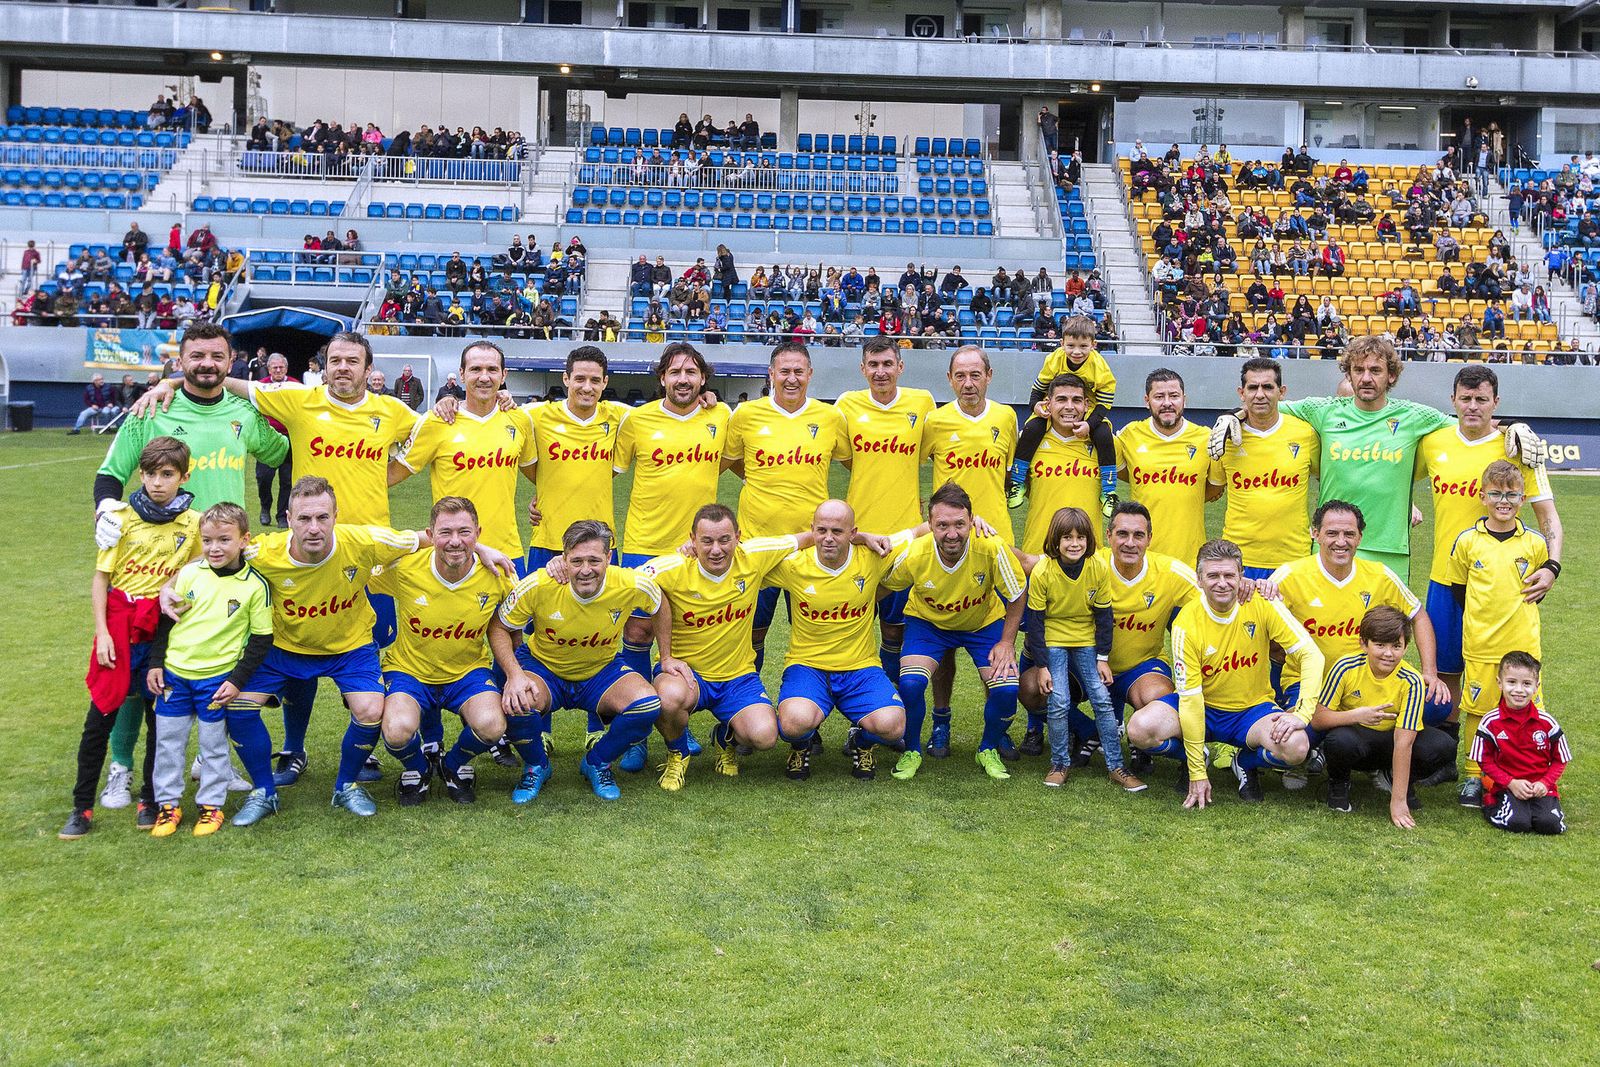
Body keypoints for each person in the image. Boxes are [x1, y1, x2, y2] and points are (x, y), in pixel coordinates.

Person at [130, 332, 423, 784]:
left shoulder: (394, 412)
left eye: (353, 361)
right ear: (325, 366)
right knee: (299, 650)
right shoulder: (297, 400)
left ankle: (365, 749)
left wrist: (387, 476)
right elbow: (225, 381)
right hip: (304, 550)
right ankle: (294, 748)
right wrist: (168, 382)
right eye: (336, 360)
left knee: (369, 651)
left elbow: (436, 434)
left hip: (371, 555)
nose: (344, 368)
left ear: (369, 369)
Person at [1211, 336, 1542, 581]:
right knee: (1326, 634)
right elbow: (1263, 404)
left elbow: (1471, 419)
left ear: (1391, 376)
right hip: (1329, 542)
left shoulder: (1415, 416)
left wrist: (1514, 425)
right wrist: (1230, 415)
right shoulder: (1323, 410)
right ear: (1349, 375)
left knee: (1385, 640)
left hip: (1389, 548)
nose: (1366, 377)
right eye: (1358, 370)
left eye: (1375, 370)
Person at [219, 476, 440, 818]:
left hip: (349, 646)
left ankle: (346, 786)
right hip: (285, 647)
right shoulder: (263, 553)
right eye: (304, 518)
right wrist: (171, 587)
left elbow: (430, 537)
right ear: (289, 518)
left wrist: (482, 548)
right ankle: (263, 792)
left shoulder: (366, 541)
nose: (314, 528)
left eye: (323, 517)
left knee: (369, 710)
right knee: (238, 708)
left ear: (337, 515)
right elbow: (212, 556)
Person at [60, 437, 201, 840]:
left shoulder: (193, 522)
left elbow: (197, 567)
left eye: (168, 475)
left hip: (163, 630)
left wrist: (170, 585)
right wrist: (102, 632)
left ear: (184, 476)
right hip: (119, 628)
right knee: (99, 718)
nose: (158, 483)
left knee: (161, 720)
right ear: (141, 475)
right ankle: (81, 807)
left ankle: (151, 799)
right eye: (151, 474)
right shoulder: (120, 517)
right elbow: (101, 579)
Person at [1128, 539, 1324, 806]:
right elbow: (1192, 699)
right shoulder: (1186, 623)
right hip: (1203, 708)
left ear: (1241, 576)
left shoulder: (1262, 602)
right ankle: (1194, 756)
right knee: (1140, 729)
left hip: (1251, 711)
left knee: (1298, 747)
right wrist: (1197, 771)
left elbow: (1311, 654)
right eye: (1213, 575)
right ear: (1198, 579)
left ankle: (1244, 761)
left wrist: (1302, 714)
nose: (1222, 583)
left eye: (1229, 575)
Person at [608, 344, 730, 768]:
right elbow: (600, 471)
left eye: (691, 372)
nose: (683, 378)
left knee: (687, 632)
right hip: (646, 543)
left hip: (699, 548)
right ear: (661, 378)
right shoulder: (637, 420)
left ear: (704, 379)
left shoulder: (721, 417)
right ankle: (638, 726)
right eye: (675, 371)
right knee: (638, 635)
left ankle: (680, 718)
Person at [1417, 367, 1560, 718]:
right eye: (1465, 399)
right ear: (1453, 400)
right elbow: (1394, 479)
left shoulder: (1518, 447)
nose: (1473, 406)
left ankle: (1507, 747)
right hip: (1446, 577)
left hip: (1503, 583)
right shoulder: (1434, 442)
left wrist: (1552, 566)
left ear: (1495, 402)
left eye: (1482, 399)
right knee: (1448, 668)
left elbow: (1548, 515)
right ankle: (1446, 752)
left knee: (1505, 669)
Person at [489, 520, 666, 803]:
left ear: (609, 558)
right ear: (563, 559)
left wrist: (667, 656)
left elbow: (659, 605)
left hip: (601, 672)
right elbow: (499, 627)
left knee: (647, 705)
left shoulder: (630, 583)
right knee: (518, 701)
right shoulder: (538, 584)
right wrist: (514, 675)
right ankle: (536, 766)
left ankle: (597, 762)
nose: (586, 570)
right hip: (544, 668)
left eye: (594, 560)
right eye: (577, 560)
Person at [143, 502, 275, 837]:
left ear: (244, 540)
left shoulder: (255, 586)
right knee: (168, 744)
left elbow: (262, 639)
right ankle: (168, 806)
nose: (214, 548)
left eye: (224, 540)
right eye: (207, 540)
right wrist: (157, 662)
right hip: (175, 676)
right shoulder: (190, 574)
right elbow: (167, 619)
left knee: (214, 746)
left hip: (216, 681)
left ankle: (211, 806)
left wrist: (236, 681)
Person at [372, 498, 514, 806]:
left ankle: (451, 766)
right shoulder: (405, 568)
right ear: (429, 534)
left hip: (467, 672)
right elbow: (360, 563)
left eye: (465, 532)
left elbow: (523, 611)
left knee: (492, 725)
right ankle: (419, 768)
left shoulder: (497, 575)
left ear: (479, 532)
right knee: (396, 731)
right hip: (409, 670)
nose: (455, 541)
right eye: (445, 532)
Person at [882, 482, 1027, 781]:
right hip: (929, 624)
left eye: (960, 524)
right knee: (909, 684)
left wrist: (1007, 642)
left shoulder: (990, 546)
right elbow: (883, 584)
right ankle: (912, 749)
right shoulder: (915, 553)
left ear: (972, 522)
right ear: (930, 525)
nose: (952, 533)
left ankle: (987, 748)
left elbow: (1016, 594)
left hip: (982, 624)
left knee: (1007, 689)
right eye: (943, 525)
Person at [919, 346, 1020, 757]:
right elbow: (913, 467)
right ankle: (940, 722)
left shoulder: (1006, 418)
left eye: (975, 374)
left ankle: (997, 728)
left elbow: (1008, 471)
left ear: (989, 376)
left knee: (994, 640)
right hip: (946, 540)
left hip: (996, 543)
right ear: (949, 380)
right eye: (960, 375)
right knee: (943, 641)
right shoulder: (936, 421)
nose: (968, 382)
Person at [725, 343, 849, 673]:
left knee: (813, 636)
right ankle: (746, 711)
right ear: (771, 374)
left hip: (812, 548)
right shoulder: (747, 415)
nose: (791, 379)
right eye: (784, 371)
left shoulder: (830, 417)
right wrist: (757, 478)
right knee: (750, 635)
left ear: (809, 375)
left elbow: (857, 465)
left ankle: (808, 718)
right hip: (756, 547)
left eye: (798, 372)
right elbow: (727, 462)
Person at [766, 500, 907, 782]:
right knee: (793, 723)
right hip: (807, 666)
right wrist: (691, 549)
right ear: (811, 531)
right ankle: (801, 745)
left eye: (837, 531)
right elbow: (740, 560)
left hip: (860, 667)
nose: (828, 538)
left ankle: (862, 743)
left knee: (893, 727)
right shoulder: (794, 565)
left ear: (852, 533)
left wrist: (975, 522)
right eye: (821, 530)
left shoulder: (873, 557)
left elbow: (923, 532)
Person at [1445, 460, 1555, 808]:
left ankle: (1531, 773)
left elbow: (1539, 589)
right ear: (1482, 496)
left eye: (1511, 494)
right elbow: (1459, 591)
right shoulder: (1467, 542)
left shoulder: (1536, 544)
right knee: (1478, 709)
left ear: (1523, 499)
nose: (1503, 501)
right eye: (1495, 493)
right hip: (1481, 645)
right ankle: (1474, 776)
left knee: (1528, 708)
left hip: (1522, 644)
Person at [834, 337, 936, 683]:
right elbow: (848, 459)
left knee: (895, 632)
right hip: (858, 538)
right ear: (863, 369)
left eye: (887, 364)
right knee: (852, 627)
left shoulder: (922, 403)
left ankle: (889, 699)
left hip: (906, 540)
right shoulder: (846, 404)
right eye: (873, 365)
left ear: (900, 367)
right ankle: (857, 706)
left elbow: (930, 452)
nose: (881, 372)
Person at [1028, 506, 1144, 792]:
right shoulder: (1043, 571)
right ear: (1055, 541)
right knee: (1059, 702)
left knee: (1101, 699)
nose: (1074, 543)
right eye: (1067, 537)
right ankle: (1059, 763)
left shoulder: (1097, 568)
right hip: (1053, 640)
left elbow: (1104, 618)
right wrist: (1042, 666)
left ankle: (1117, 766)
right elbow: (1036, 624)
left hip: (1086, 641)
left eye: (1081, 537)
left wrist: (1102, 658)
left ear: (1090, 540)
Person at [1314, 606, 1453, 826]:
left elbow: (1404, 741)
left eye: (1396, 646)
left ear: (1406, 647)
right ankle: (1339, 784)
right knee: (1339, 740)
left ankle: (1398, 782)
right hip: (1356, 738)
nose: (1388, 653)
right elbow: (1319, 719)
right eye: (1380, 645)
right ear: (1364, 644)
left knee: (1442, 746)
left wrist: (1397, 801)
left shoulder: (1411, 680)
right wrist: (1357, 715)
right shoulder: (1345, 667)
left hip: (1391, 741)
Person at [1207, 357, 1318, 579]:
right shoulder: (1224, 437)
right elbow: (1213, 490)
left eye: (1268, 387)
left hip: (1293, 557)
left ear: (1281, 391)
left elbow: (1331, 478)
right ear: (1241, 393)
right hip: (1239, 557)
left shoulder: (1305, 434)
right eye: (1253, 387)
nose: (1260, 394)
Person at [1006, 316, 1118, 514]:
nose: (1076, 351)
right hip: (1055, 406)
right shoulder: (1054, 359)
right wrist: (1036, 407)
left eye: (1083, 346)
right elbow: (1037, 389)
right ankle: (1018, 482)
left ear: (1093, 344)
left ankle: (1108, 492)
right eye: (1071, 345)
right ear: (1062, 343)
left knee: (1103, 435)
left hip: (1088, 409)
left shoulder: (1101, 368)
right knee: (1032, 429)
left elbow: (1104, 403)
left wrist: (1090, 425)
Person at [1116, 369, 1212, 565]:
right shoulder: (1129, 434)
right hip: (1141, 557)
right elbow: (1124, 474)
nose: (1167, 403)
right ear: (1147, 400)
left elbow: (1215, 487)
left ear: (1184, 399)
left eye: (1174, 396)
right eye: (1159, 396)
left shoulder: (1206, 437)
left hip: (1190, 558)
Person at [1472, 652, 1569, 834]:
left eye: (1526, 684)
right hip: (1508, 787)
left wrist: (1545, 783)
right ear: (1500, 683)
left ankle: (1540, 808)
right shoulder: (1490, 722)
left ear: (1536, 686)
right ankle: (1491, 802)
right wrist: (1510, 782)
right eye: (1511, 682)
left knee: (1550, 825)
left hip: (1540, 787)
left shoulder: (1547, 723)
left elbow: (1560, 759)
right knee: (1518, 823)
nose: (1519, 690)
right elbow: (1484, 760)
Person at [253, 354, 296, 529]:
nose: (278, 370)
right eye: (274, 368)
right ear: (269, 369)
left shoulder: (295, 386)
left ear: (286, 368)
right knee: (264, 477)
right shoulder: (260, 386)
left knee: (287, 479)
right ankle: (265, 507)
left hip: (290, 438)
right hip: (268, 439)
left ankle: (282, 515)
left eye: (281, 367)